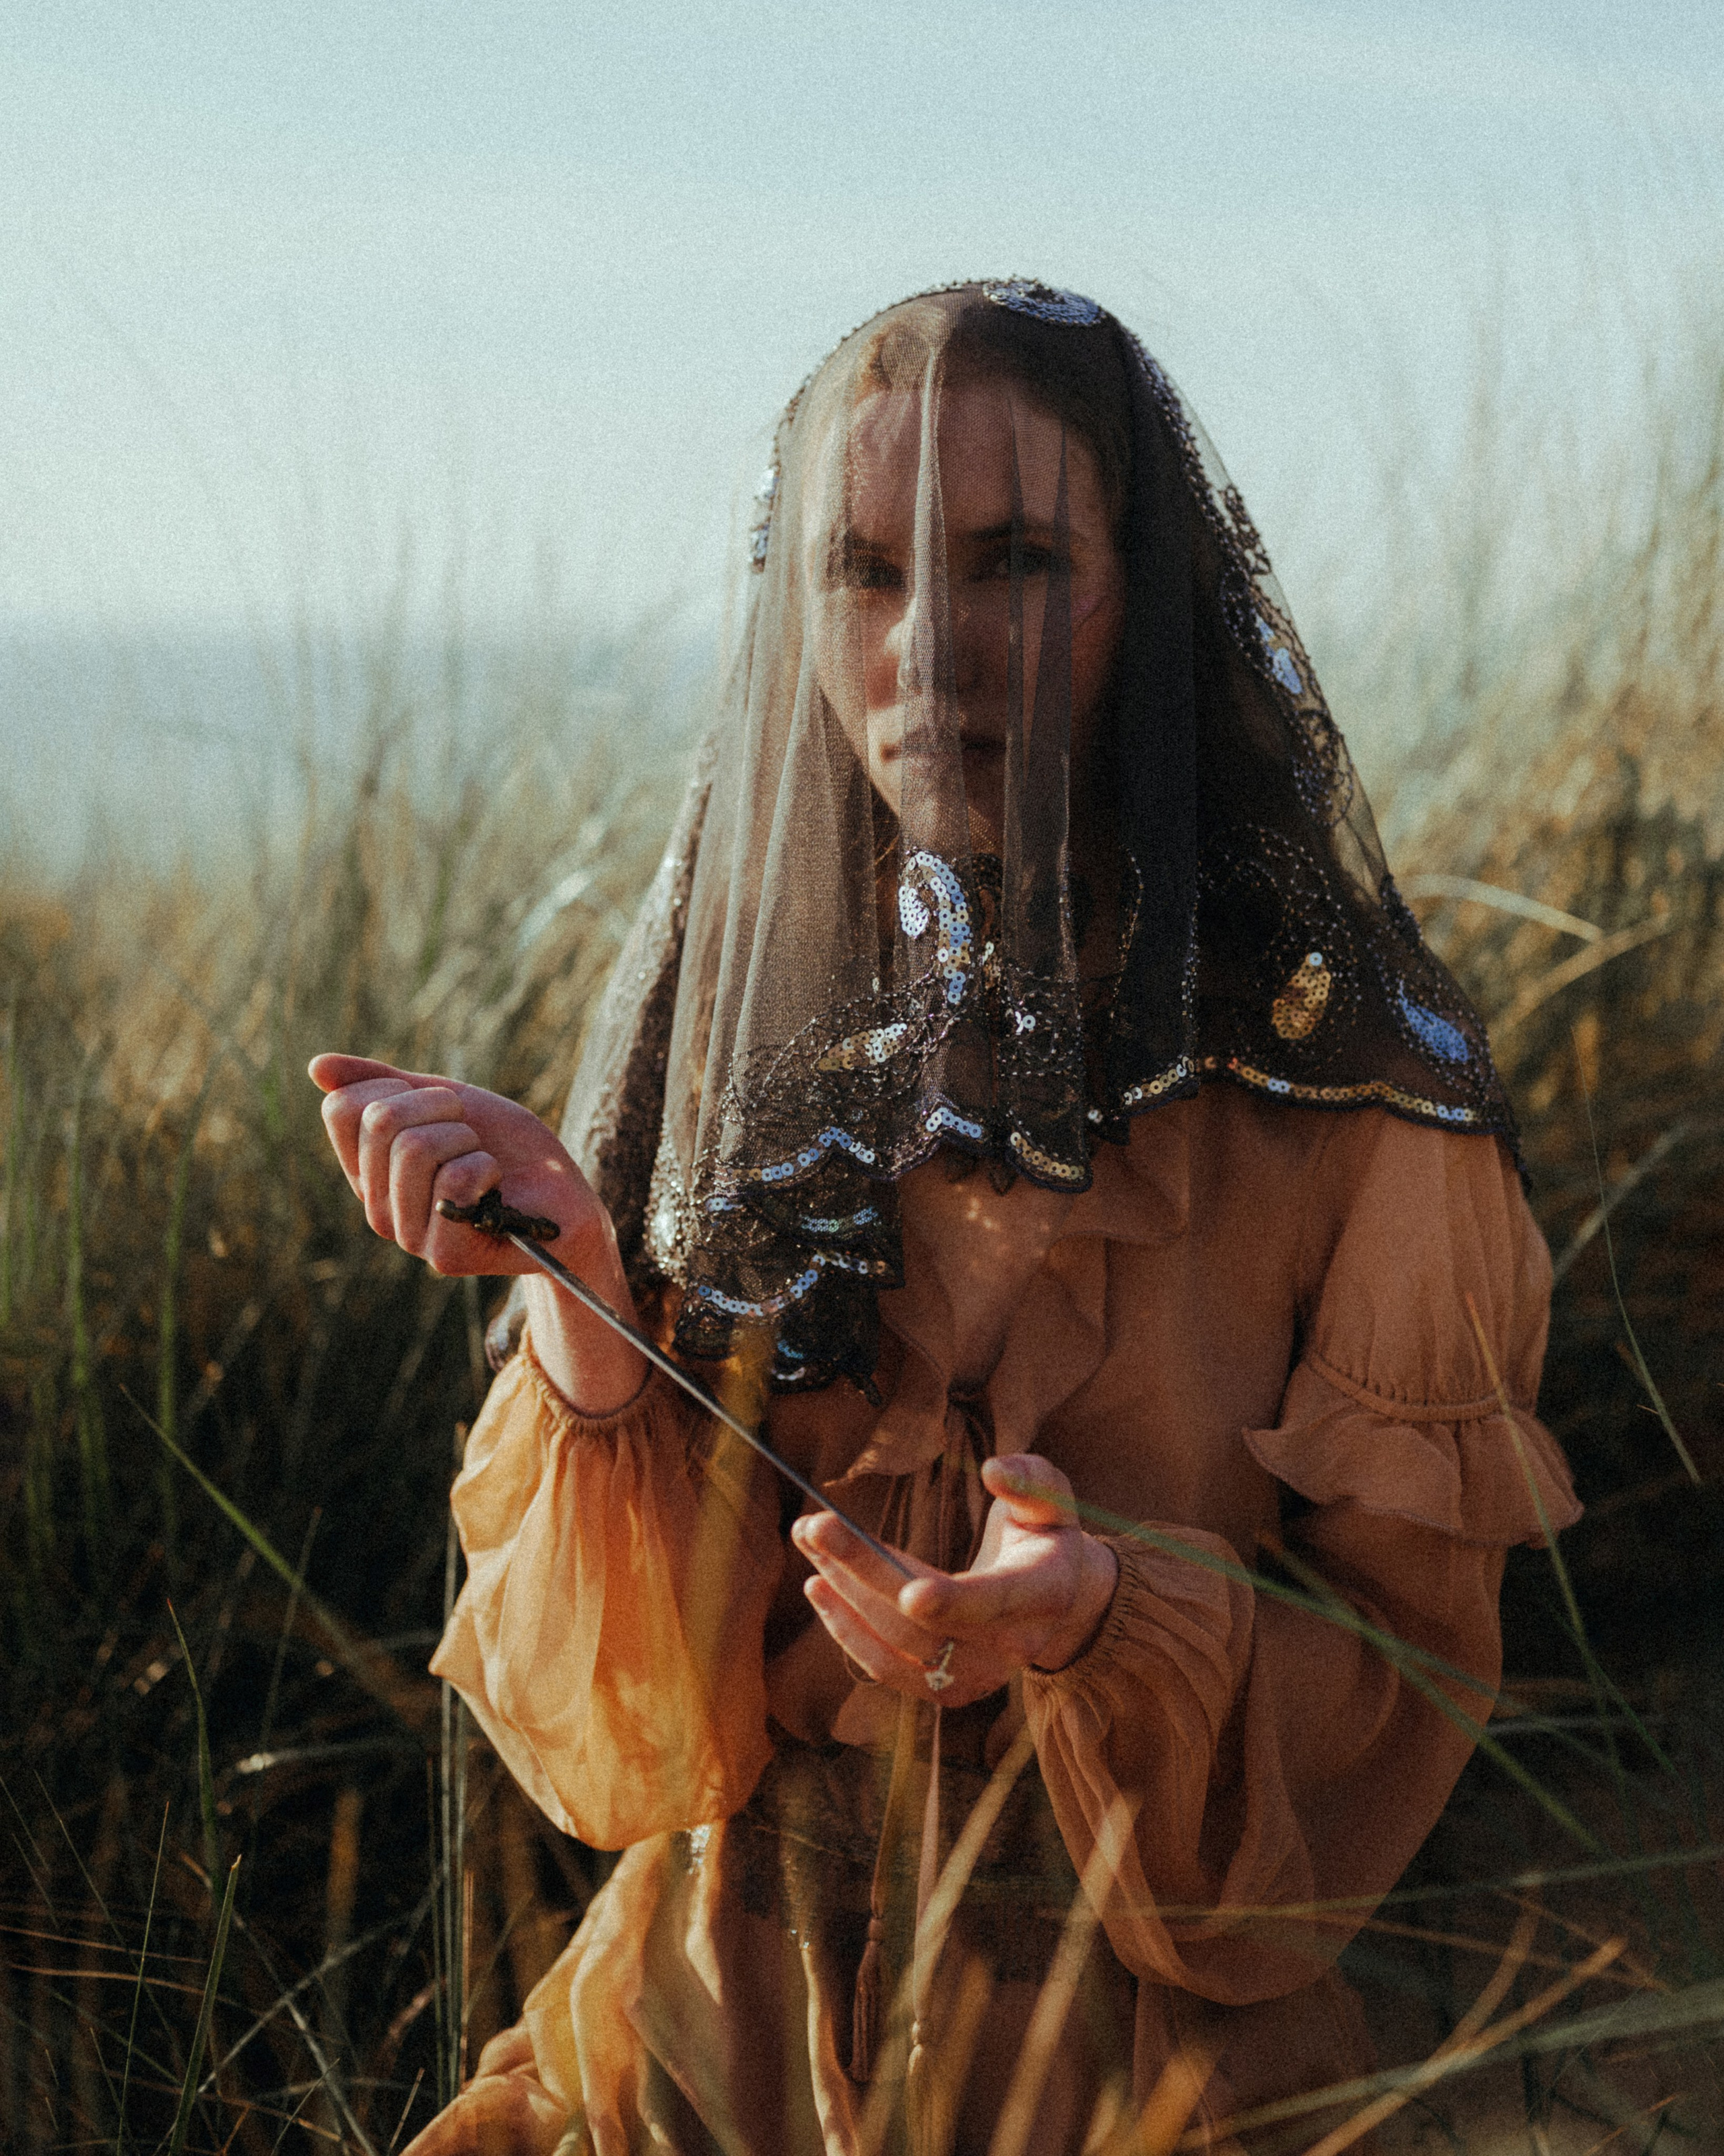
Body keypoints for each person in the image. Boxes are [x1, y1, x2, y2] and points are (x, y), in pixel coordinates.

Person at [312, 281, 1579, 2155]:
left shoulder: (1366, 1113)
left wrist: (1104, 1625)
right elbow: (639, 1750)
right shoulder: (743, 1053)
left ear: (1147, 589)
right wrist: (587, 1308)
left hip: (1135, 2074)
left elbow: (1396, 1709)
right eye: (862, 569)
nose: (928, 649)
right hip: (682, 2050)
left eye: (1014, 560)